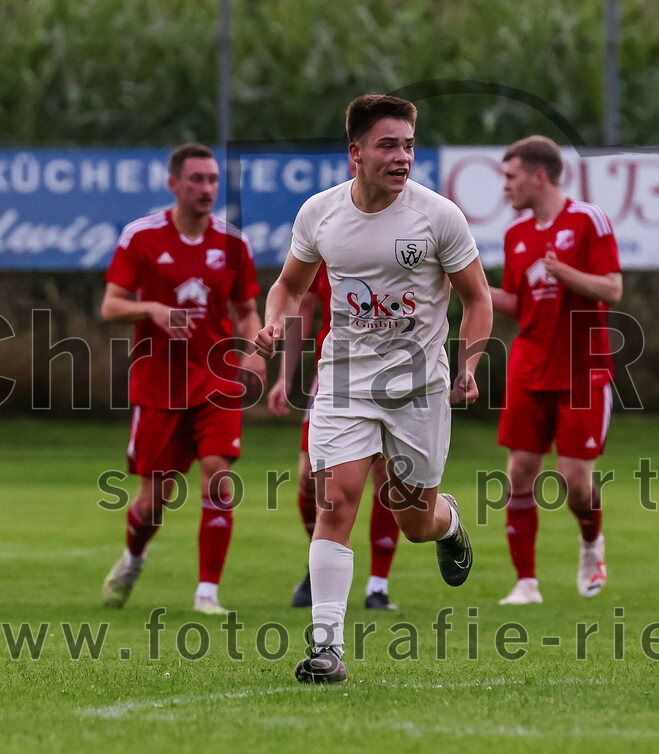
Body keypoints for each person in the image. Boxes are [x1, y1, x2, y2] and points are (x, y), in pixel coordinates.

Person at [254, 94, 493, 683]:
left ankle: (449, 521)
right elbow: (288, 286)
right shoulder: (321, 214)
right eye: (389, 145)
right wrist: (271, 322)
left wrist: (469, 362)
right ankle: (327, 649)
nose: (402, 157)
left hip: (418, 386)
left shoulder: (438, 217)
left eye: (409, 145)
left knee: (412, 521)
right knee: (335, 502)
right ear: (355, 153)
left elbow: (477, 298)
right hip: (344, 379)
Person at [100, 143, 266, 614]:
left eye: (213, 180)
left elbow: (247, 310)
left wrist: (253, 350)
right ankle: (133, 556)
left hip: (216, 381)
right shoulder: (141, 237)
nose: (206, 188)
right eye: (196, 179)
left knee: (218, 474)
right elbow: (111, 305)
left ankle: (207, 593)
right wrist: (151, 308)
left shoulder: (233, 244)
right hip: (158, 386)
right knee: (154, 502)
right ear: (174, 183)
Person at [487, 136, 622, 606]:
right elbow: (518, 305)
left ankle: (591, 544)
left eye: (511, 176)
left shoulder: (588, 220)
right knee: (519, 471)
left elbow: (612, 289)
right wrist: (464, 287)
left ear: (538, 175)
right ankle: (526, 582)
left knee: (575, 483)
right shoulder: (516, 235)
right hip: (529, 367)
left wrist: (565, 273)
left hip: (583, 370)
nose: (505, 187)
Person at [268, 260, 402, 611]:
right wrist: (286, 376)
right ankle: (321, 561)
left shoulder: (403, 232)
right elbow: (301, 306)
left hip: (391, 375)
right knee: (311, 478)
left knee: (386, 476)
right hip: (336, 376)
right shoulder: (328, 229)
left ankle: (378, 585)